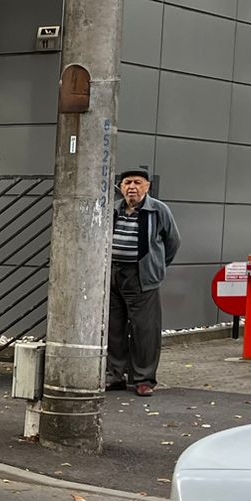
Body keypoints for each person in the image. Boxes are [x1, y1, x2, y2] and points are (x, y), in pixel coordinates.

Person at [107, 167, 182, 398]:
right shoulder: (114, 209)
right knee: (114, 328)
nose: (132, 187)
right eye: (127, 182)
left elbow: (173, 243)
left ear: (147, 186)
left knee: (145, 331)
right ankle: (115, 375)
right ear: (121, 187)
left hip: (142, 276)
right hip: (113, 275)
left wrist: (156, 267)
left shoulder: (158, 211)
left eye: (138, 182)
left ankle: (143, 379)